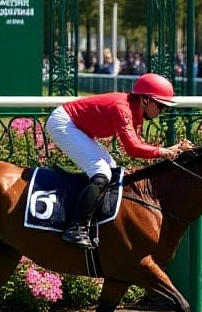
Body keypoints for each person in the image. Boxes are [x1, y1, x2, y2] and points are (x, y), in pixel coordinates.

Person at [45, 73, 193, 248]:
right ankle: (75, 228)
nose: (162, 112)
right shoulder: (122, 109)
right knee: (102, 173)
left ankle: (95, 222)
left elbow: (138, 145)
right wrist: (164, 152)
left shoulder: (135, 109)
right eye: (161, 106)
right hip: (63, 123)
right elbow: (132, 149)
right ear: (146, 100)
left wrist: (170, 150)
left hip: (75, 125)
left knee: (111, 169)